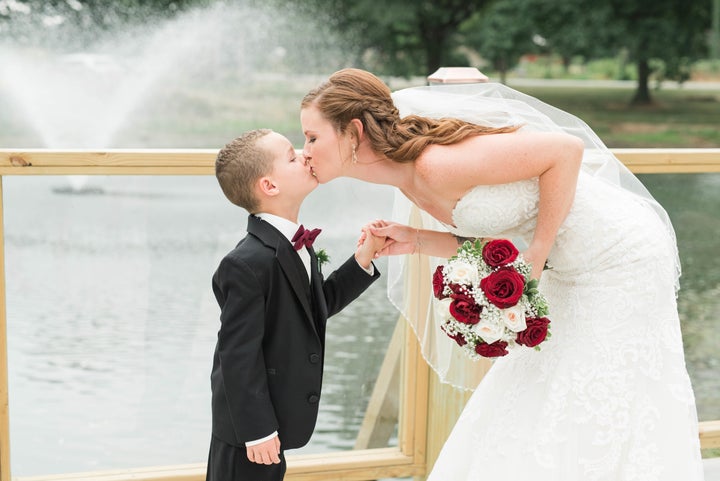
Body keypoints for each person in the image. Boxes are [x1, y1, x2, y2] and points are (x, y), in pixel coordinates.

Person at [300, 68, 705, 480]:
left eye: (312, 138)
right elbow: (494, 241)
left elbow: (565, 151)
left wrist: (538, 250)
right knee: (541, 380)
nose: (306, 151)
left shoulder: (436, 165)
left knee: (593, 381)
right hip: (565, 265)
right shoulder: (410, 181)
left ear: (353, 132)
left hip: (619, 255)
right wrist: (418, 239)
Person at [206, 128, 384, 481]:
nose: (305, 155)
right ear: (269, 186)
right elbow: (237, 354)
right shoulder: (245, 263)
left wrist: (363, 258)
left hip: (276, 420)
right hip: (248, 432)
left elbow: (315, 308)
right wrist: (256, 429)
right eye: (291, 156)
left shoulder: (293, 245)